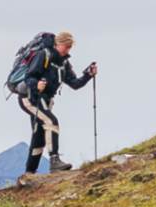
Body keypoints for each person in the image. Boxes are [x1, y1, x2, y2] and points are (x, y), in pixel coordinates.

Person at [16, 30, 97, 175]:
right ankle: (55, 161)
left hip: (46, 100)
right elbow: (30, 77)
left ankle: (29, 174)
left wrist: (88, 75)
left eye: (70, 47)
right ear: (58, 44)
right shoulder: (44, 55)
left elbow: (74, 83)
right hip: (30, 97)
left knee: (39, 135)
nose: (68, 50)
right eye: (66, 46)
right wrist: (37, 85)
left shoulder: (64, 63)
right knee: (51, 121)